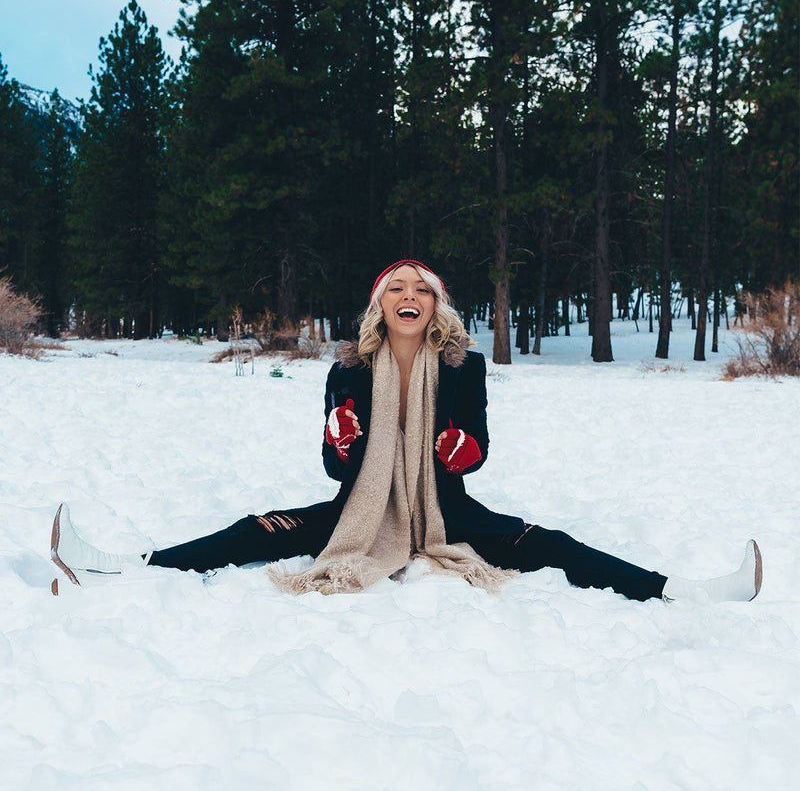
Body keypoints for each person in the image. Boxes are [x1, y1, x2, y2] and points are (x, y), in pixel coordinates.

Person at [48, 260, 763, 603]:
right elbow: (337, 469)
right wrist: (340, 437)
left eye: (423, 289)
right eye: (398, 288)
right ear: (379, 305)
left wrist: (462, 448)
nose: (411, 296)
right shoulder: (349, 368)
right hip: (362, 510)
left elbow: (474, 446)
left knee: (549, 543)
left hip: (447, 511)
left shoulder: (461, 364)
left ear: (437, 306)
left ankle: (684, 590)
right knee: (258, 526)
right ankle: (126, 565)